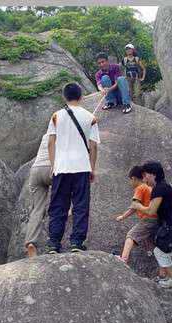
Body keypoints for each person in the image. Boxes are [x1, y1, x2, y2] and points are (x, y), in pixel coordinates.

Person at [130, 161, 172, 321]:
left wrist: (137, 205)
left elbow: (151, 211)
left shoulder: (159, 188)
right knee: (159, 251)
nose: (144, 178)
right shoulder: (166, 186)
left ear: (153, 174)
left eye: (145, 174)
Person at [46, 82, 100, 254]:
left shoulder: (56, 115)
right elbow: (93, 146)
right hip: (81, 166)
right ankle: (76, 242)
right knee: (80, 205)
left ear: (64, 96)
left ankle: (54, 243)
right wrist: (92, 167)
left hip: (61, 167)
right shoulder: (90, 117)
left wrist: (53, 165)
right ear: (81, 96)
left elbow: (50, 142)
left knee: (58, 206)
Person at [114, 166, 159, 263]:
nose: (130, 184)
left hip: (149, 218)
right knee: (146, 236)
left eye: (130, 181)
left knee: (131, 235)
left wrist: (123, 216)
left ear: (133, 178)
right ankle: (150, 252)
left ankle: (124, 258)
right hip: (156, 219)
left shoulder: (140, 188)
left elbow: (134, 206)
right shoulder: (149, 187)